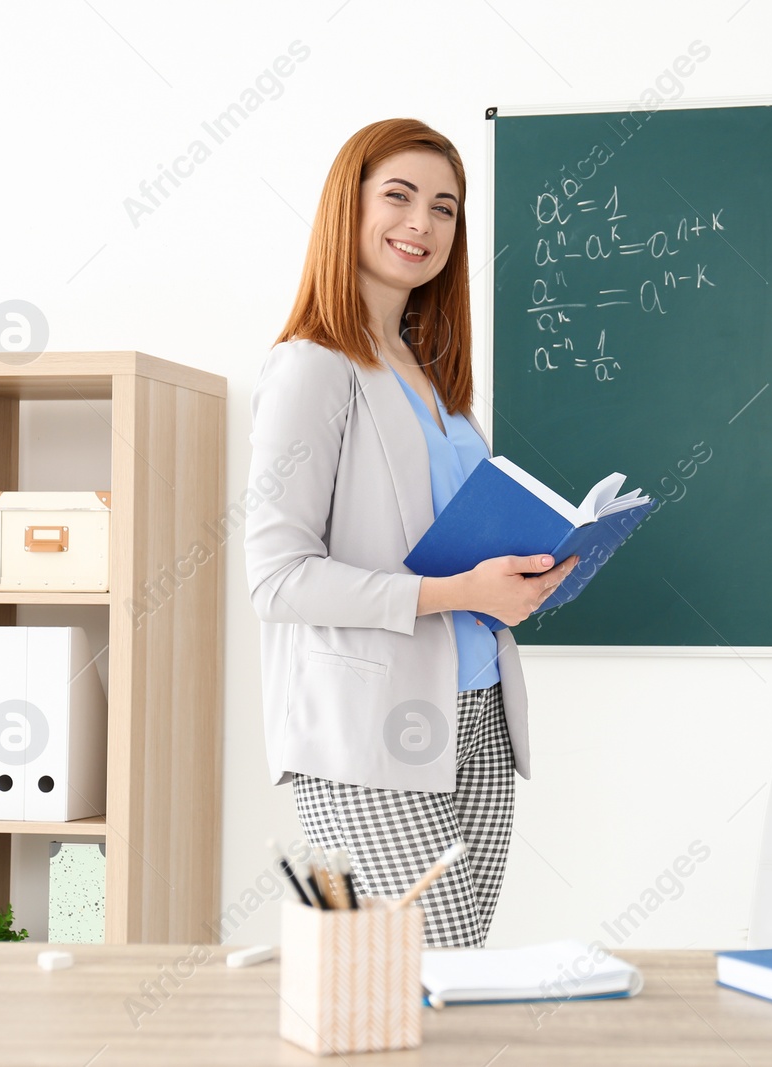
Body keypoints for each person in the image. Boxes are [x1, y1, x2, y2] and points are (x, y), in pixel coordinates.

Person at [244, 118, 578, 947]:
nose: (421, 224)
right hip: (367, 733)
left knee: (453, 972)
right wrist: (460, 592)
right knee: (420, 973)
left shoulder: (431, 375)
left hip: (476, 717)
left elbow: (447, 547)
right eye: (398, 197)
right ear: (345, 208)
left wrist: (520, 583)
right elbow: (277, 579)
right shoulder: (312, 366)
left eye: (444, 208)